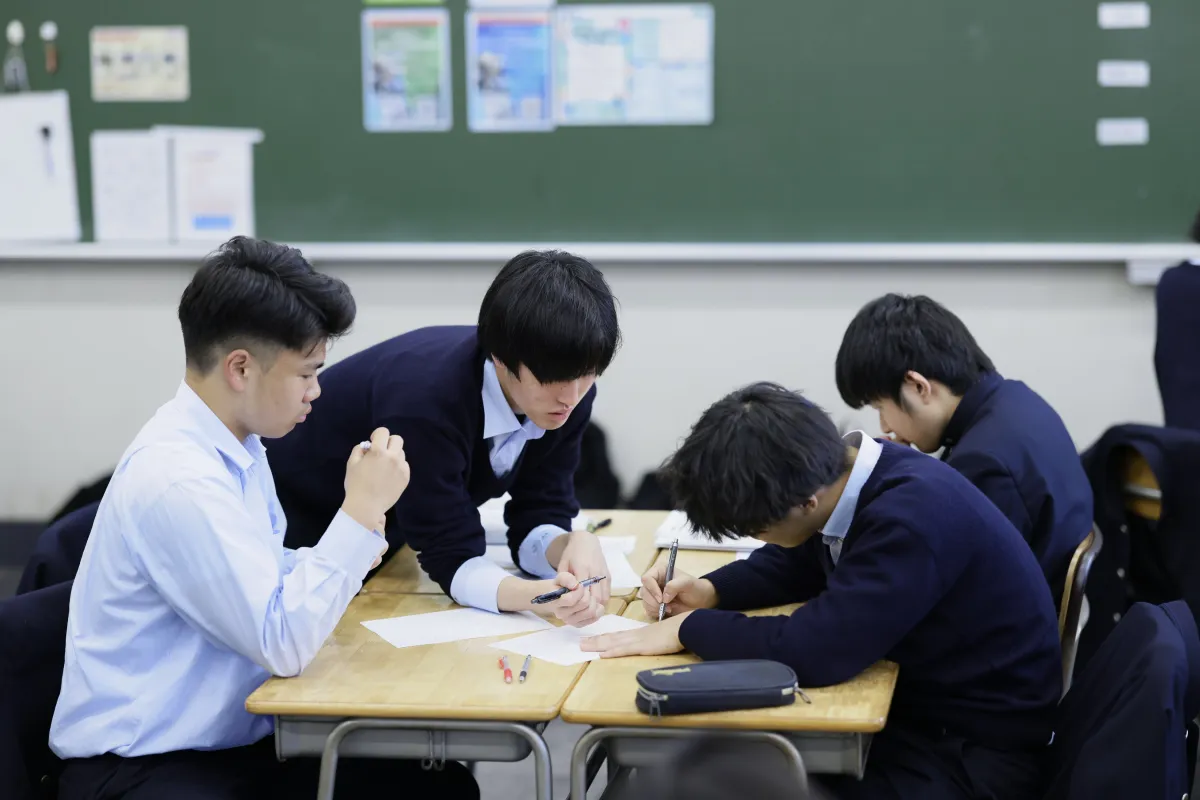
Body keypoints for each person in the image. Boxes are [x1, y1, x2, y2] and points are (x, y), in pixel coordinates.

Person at [50, 236, 478, 800]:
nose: (316, 391)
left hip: (226, 740)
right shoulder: (178, 480)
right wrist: (360, 511)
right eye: (306, 374)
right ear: (241, 367)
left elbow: (265, 572)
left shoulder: (239, 447)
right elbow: (281, 640)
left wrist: (355, 539)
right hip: (146, 766)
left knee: (439, 786)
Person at [582, 383, 1062, 799]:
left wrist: (691, 628)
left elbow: (818, 650)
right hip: (929, 715)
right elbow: (802, 558)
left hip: (971, 756)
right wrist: (711, 590)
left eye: (756, 529)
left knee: (724, 774)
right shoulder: (859, 474)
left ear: (806, 502)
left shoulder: (911, 517)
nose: (757, 538)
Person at [266, 249, 621, 626]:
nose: (571, 397)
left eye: (588, 374)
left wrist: (571, 544)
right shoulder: (425, 401)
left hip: (382, 533)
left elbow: (538, 513)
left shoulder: (567, 398)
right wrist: (540, 598)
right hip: (298, 528)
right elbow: (451, 555)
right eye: (553, 379)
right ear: (501, 359)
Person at [834, 293, 1092, 603]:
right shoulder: (1014, 400)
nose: (885, 426)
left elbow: (941, 585)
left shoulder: (984, 463)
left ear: (918, 387)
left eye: (880, 407)